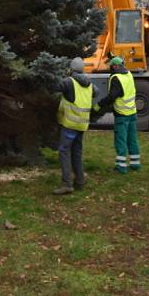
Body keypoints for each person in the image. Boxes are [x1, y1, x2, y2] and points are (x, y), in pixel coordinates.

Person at [53, 57, 100, 195]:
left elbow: (55, 86)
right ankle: (80, 181)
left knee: (64, 151)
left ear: (71, 69)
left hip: (70, 124)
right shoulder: (90, 84)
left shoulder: (69, 82)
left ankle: (67, 184)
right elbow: (96, 93)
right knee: (77, 152)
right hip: (82, 124)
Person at [98, 55, 141, 173]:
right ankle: (135, 163)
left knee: (120, 140)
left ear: (115, 66)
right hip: (132, 112)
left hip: (122, 114)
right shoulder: (128, 74)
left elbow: (112, 96)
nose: (110, 68)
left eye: (111, 66)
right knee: (132, 139)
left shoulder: (116, 78)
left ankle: (121, 167)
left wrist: (100, 104)